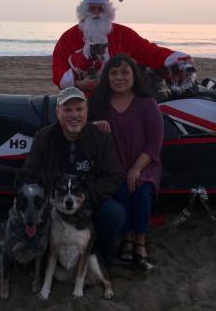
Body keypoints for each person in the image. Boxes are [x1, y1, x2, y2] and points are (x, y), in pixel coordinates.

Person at [21, 87, 126, 264]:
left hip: (88, 200)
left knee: (114, 213)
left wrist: (85, 198)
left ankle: (101, 257)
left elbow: (114, 176)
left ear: (87, 111)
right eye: (67, 110)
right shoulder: (43, 137)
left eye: (79, 109)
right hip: (54, 202)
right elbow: (29, 175)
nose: (74, 115)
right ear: (57, 112)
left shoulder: (101, 138)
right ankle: (41, 256)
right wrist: (49, 198)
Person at [89, 53, 164, 270]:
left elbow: (154, 143)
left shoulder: (147, 103)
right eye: (113, 73)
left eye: (124, 72)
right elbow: (85, 129)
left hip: (144, 163)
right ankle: (126, 239)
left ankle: (139, 240)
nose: (119, 77)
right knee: (121, 190)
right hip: (113, 166)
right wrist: (95, 125)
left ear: (134, 75)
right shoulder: (99, 102)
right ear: (107, 77)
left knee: (139, 191)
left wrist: (136, 168)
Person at [52, 0, 195, 94]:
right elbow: (58, 71)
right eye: (91, 8)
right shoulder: (67, 38)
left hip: (120, 100)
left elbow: (150, 52)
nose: (96, 13)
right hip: (82, 103)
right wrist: (79, 84)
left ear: (107, 11)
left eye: (100, 9)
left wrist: (175, 58)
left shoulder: (123, 34)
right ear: (84, 10)